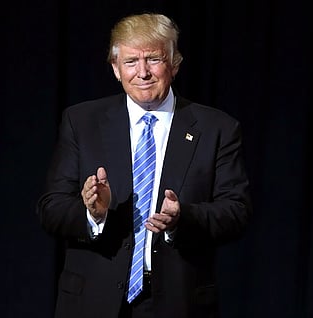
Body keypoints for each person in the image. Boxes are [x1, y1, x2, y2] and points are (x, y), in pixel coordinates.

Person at [37, 12, 252, 318]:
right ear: (115, 68)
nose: (143, 72)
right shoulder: (82, 122)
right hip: (92, 302)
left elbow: (237, 211)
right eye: (130, 62)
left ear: (174, 64)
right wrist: (92, 214)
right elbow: (50, 208)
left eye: (153, 59)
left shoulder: (217, 128)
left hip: (178, 303)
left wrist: (183, 219)